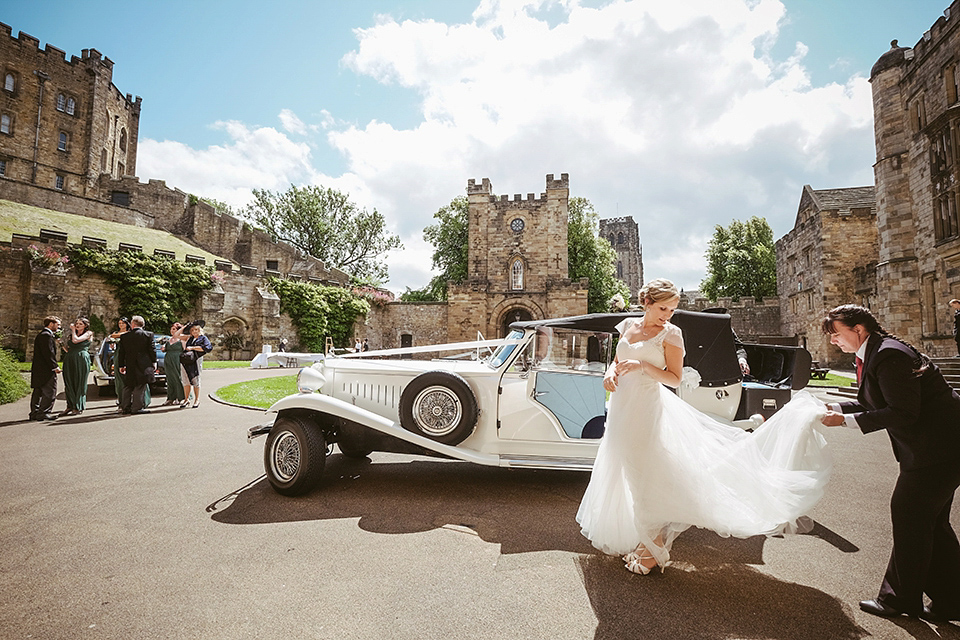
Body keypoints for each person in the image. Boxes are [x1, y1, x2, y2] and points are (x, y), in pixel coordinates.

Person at [576, 278, 831, 575]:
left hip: (647, 408)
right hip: (622, 407)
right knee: (624, 468)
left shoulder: (672, 334)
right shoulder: (627, 326)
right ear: (646, 302)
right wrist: (609, 373)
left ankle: (655, 546)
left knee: (644, 472)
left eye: (672, 308)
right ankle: (647, 541)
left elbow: (673, 378)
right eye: (662, 308)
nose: (667, 314)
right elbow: (617, 361)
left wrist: (643, 367)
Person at [820, 304, 960, 622]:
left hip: (938, 450)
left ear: (858, 329)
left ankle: (899, 600)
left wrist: (842, 421)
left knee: (910, 517)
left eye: (836, 333)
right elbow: (875, 401)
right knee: (931, 524)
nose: (832, 341)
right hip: (939, 449)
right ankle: (952, 601)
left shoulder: (889, 355)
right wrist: (834, 405)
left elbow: (903, 411)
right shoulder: (879, 352)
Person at [117, 316, 157, 415]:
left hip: (130, 363)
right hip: (144, 363)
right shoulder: (148, 335)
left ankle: (125, 407)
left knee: (128, 385)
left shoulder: (125, 336)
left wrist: (121, 365)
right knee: (140, 384)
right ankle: (137, 407)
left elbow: (121, 352)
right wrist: (154, 362)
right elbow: (152, 350)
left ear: (133, 324)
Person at [29, 316, 61, 421]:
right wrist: (54, 366)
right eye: (58, 324)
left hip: (39, 369)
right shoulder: (46, 336)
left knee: (38, 391)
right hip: (46, 369)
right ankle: (44, 412)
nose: (59, 327)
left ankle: (35, 412)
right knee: (49, 391)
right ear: (51, 324)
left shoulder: (42, 335)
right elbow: (48, 354)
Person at [61, 317, 93, 416]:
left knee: (80, 381)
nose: (78, 325)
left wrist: (73, 330)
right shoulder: (72, 335)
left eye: (80, 324)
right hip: (70, 358)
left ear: (85, 326)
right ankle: (70, 405)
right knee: (69, 382)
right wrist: (61, 343)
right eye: (77, 324)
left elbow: (76, 341)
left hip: (81, 358)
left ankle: (78, 406)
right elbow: (69, 349)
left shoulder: (88, 333)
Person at [181, 321, 212, 408]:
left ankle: (197, 399)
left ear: (199, 330)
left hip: (196, 360)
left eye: (196, 330)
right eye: (192, 330)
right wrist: (184, 327)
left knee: (196, 380)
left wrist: (193, 348)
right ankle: (186, 399)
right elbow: (177, 336)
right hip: (187, 360)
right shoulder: (190, 338)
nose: (194, 332)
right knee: (185, 380)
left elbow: (207, 348)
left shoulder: (203, 338)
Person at [161, 322, 187, 406]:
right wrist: (164, 349)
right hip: (168, 360)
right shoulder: (169, 339)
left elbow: (185, 349)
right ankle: (170, 398)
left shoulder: (182, 339)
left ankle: (182, 397)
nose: (172, 331)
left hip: (177, 359)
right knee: (170, 379)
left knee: (178, 378)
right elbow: (166, 349)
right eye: (171, 329)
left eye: (174, 329)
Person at [110, 317, 131, 404]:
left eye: (123, 323)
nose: (121, 325)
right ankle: (120, 397)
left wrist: (114, 336)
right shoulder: (116, 333)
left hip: (126, 354)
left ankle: (127, 398)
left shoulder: (129, 333)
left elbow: (114, 336)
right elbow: (112, 337)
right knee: (118, 378)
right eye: (119, 323)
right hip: (117, 354)